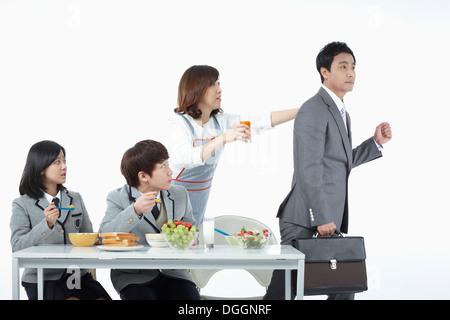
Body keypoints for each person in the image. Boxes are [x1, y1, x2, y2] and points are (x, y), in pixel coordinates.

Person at [264, 42, 392, 300]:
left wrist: (375, 143)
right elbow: (308, 168)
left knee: (344, 288)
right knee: (283, 293)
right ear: (325, 71)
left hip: (326, 219)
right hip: (303, 219)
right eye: (343, 66)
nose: (351, 73)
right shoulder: (313, 109)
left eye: (353, 67)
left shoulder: (341, 112)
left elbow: (337, 162)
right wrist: (321, 216)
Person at [168, 65, 299, 223]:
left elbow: (261, 120)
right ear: (196, 89)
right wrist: (223, 138)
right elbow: (186, 158)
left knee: (192, 238)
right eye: (212, 84)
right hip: (171, 203)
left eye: (219, 83)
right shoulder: (179, 123)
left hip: (199, 202)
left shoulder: (220, 122)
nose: (219, 89)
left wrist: (301, 111)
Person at [99, 139, 200, 300]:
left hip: (174, 274)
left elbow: (194, 230)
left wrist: (193, 240)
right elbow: (104, 236)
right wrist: (135, 210)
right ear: (143, 176)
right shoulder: (118, 197)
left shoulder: (179, 194)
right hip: (134, 276)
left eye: (168, 164)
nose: (170, 171)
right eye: (163, 166)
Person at [10, 140, 111, 300]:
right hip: (42, 277)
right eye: (57, 161)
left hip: (75, 274)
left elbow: (87, 234)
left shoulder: (75, 198)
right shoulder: (22, 203)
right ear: (41, 168)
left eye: (64, 160)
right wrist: (46, 224)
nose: (64, 166)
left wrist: (96, 240)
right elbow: (17, 246)